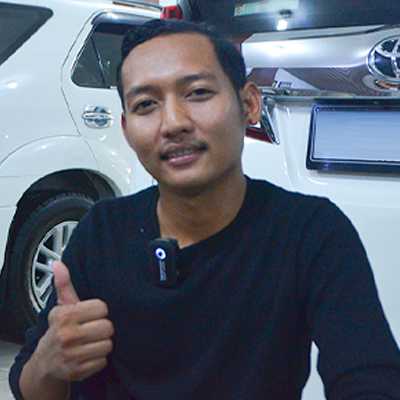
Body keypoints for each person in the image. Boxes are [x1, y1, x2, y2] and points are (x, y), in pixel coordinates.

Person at [9, 19, 400, 400]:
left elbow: (370, 378)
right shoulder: (102, 231)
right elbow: (29, 386)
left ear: (248, 104)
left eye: (197, 93)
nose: (173, 123)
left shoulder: (309, 233)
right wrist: (49, 362)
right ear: (127, 130)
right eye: (146, 104)